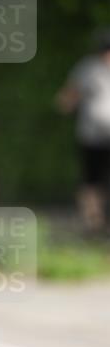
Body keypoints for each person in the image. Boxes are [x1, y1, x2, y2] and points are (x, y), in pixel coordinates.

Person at [56, 30, 110, 234]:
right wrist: (66, 103)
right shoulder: (88, 69)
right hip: (92, 135)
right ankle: (93, 223)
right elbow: (69, 95)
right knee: (91, 180)